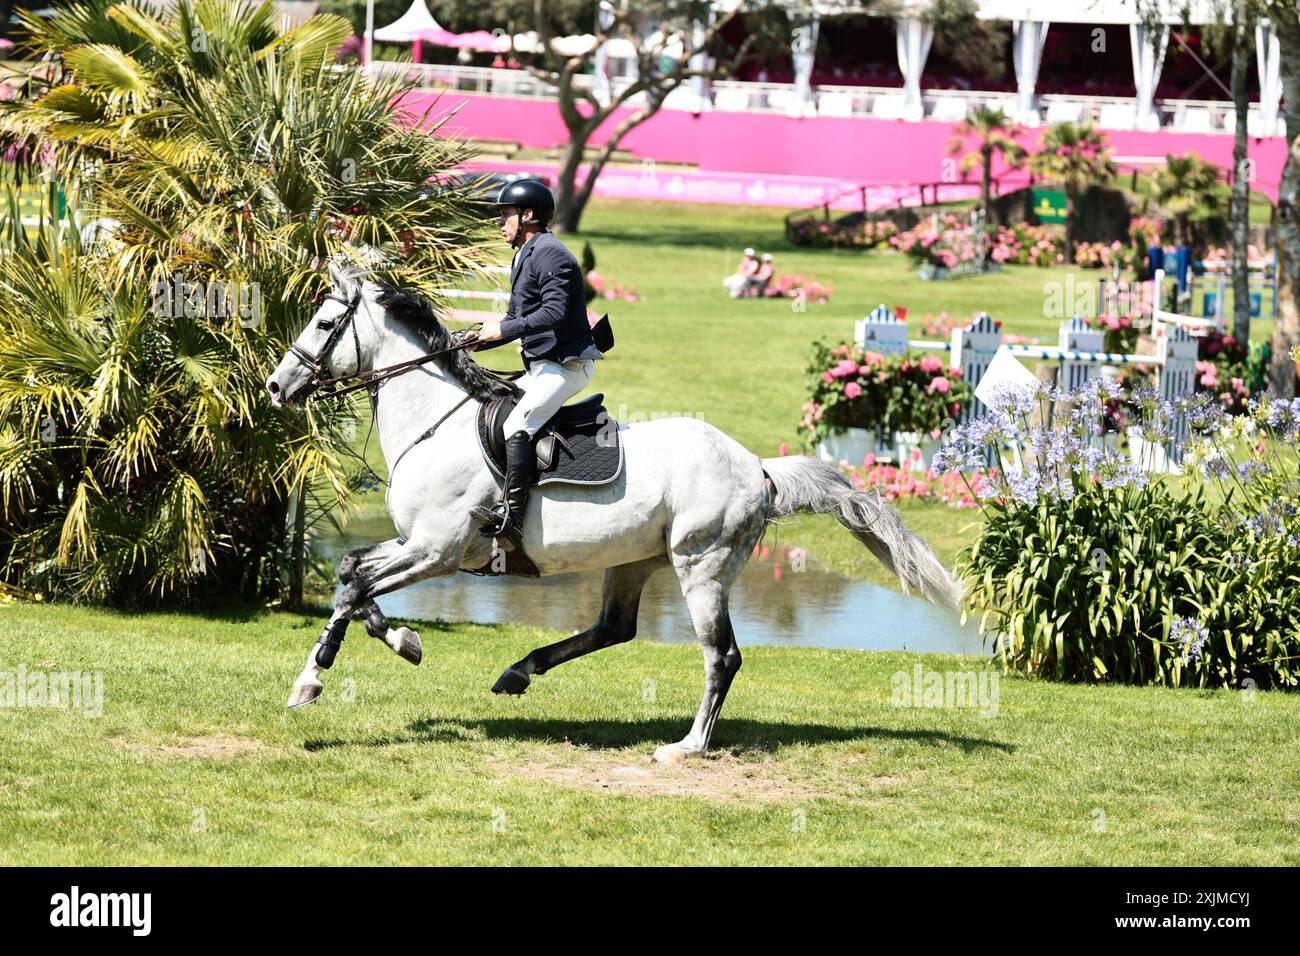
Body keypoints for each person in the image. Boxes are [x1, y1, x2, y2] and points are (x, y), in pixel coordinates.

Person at [471, 180, 602, 551]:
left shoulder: (551, 253)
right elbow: (517, 316)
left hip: (566, 367)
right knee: (495, 411)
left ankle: (513, 522)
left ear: (527, 215)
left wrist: (505, 328)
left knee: (517, 425)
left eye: (505, 215)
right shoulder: (524, 254)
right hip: (541, 367)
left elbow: (554, 312)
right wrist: (484, 337)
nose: (500, 223)